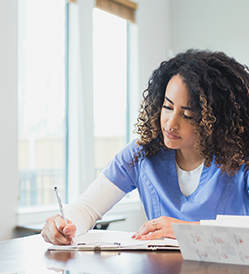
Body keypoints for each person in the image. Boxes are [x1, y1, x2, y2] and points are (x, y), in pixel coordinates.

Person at [41, 49, 249, 245]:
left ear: (215, 120)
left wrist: (184, 230)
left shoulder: (242, 161)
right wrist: (64, 226)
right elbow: (87, 208)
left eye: (187, 115)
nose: (170, 123)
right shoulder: (141, 154)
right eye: (167, 107)